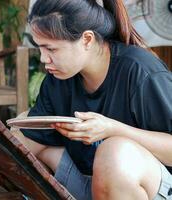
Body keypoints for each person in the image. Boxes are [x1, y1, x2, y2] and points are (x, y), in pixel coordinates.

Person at [12, 0, 172, 199]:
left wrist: (113, 129)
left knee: (114, 152)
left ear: (87, 39)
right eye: (40, 49)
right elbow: (27, 140)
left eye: (51, 49)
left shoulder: (141, 71)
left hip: (150, 186)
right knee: (24, 124)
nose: (44, 59)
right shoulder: (59, 79)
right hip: (93, 182)